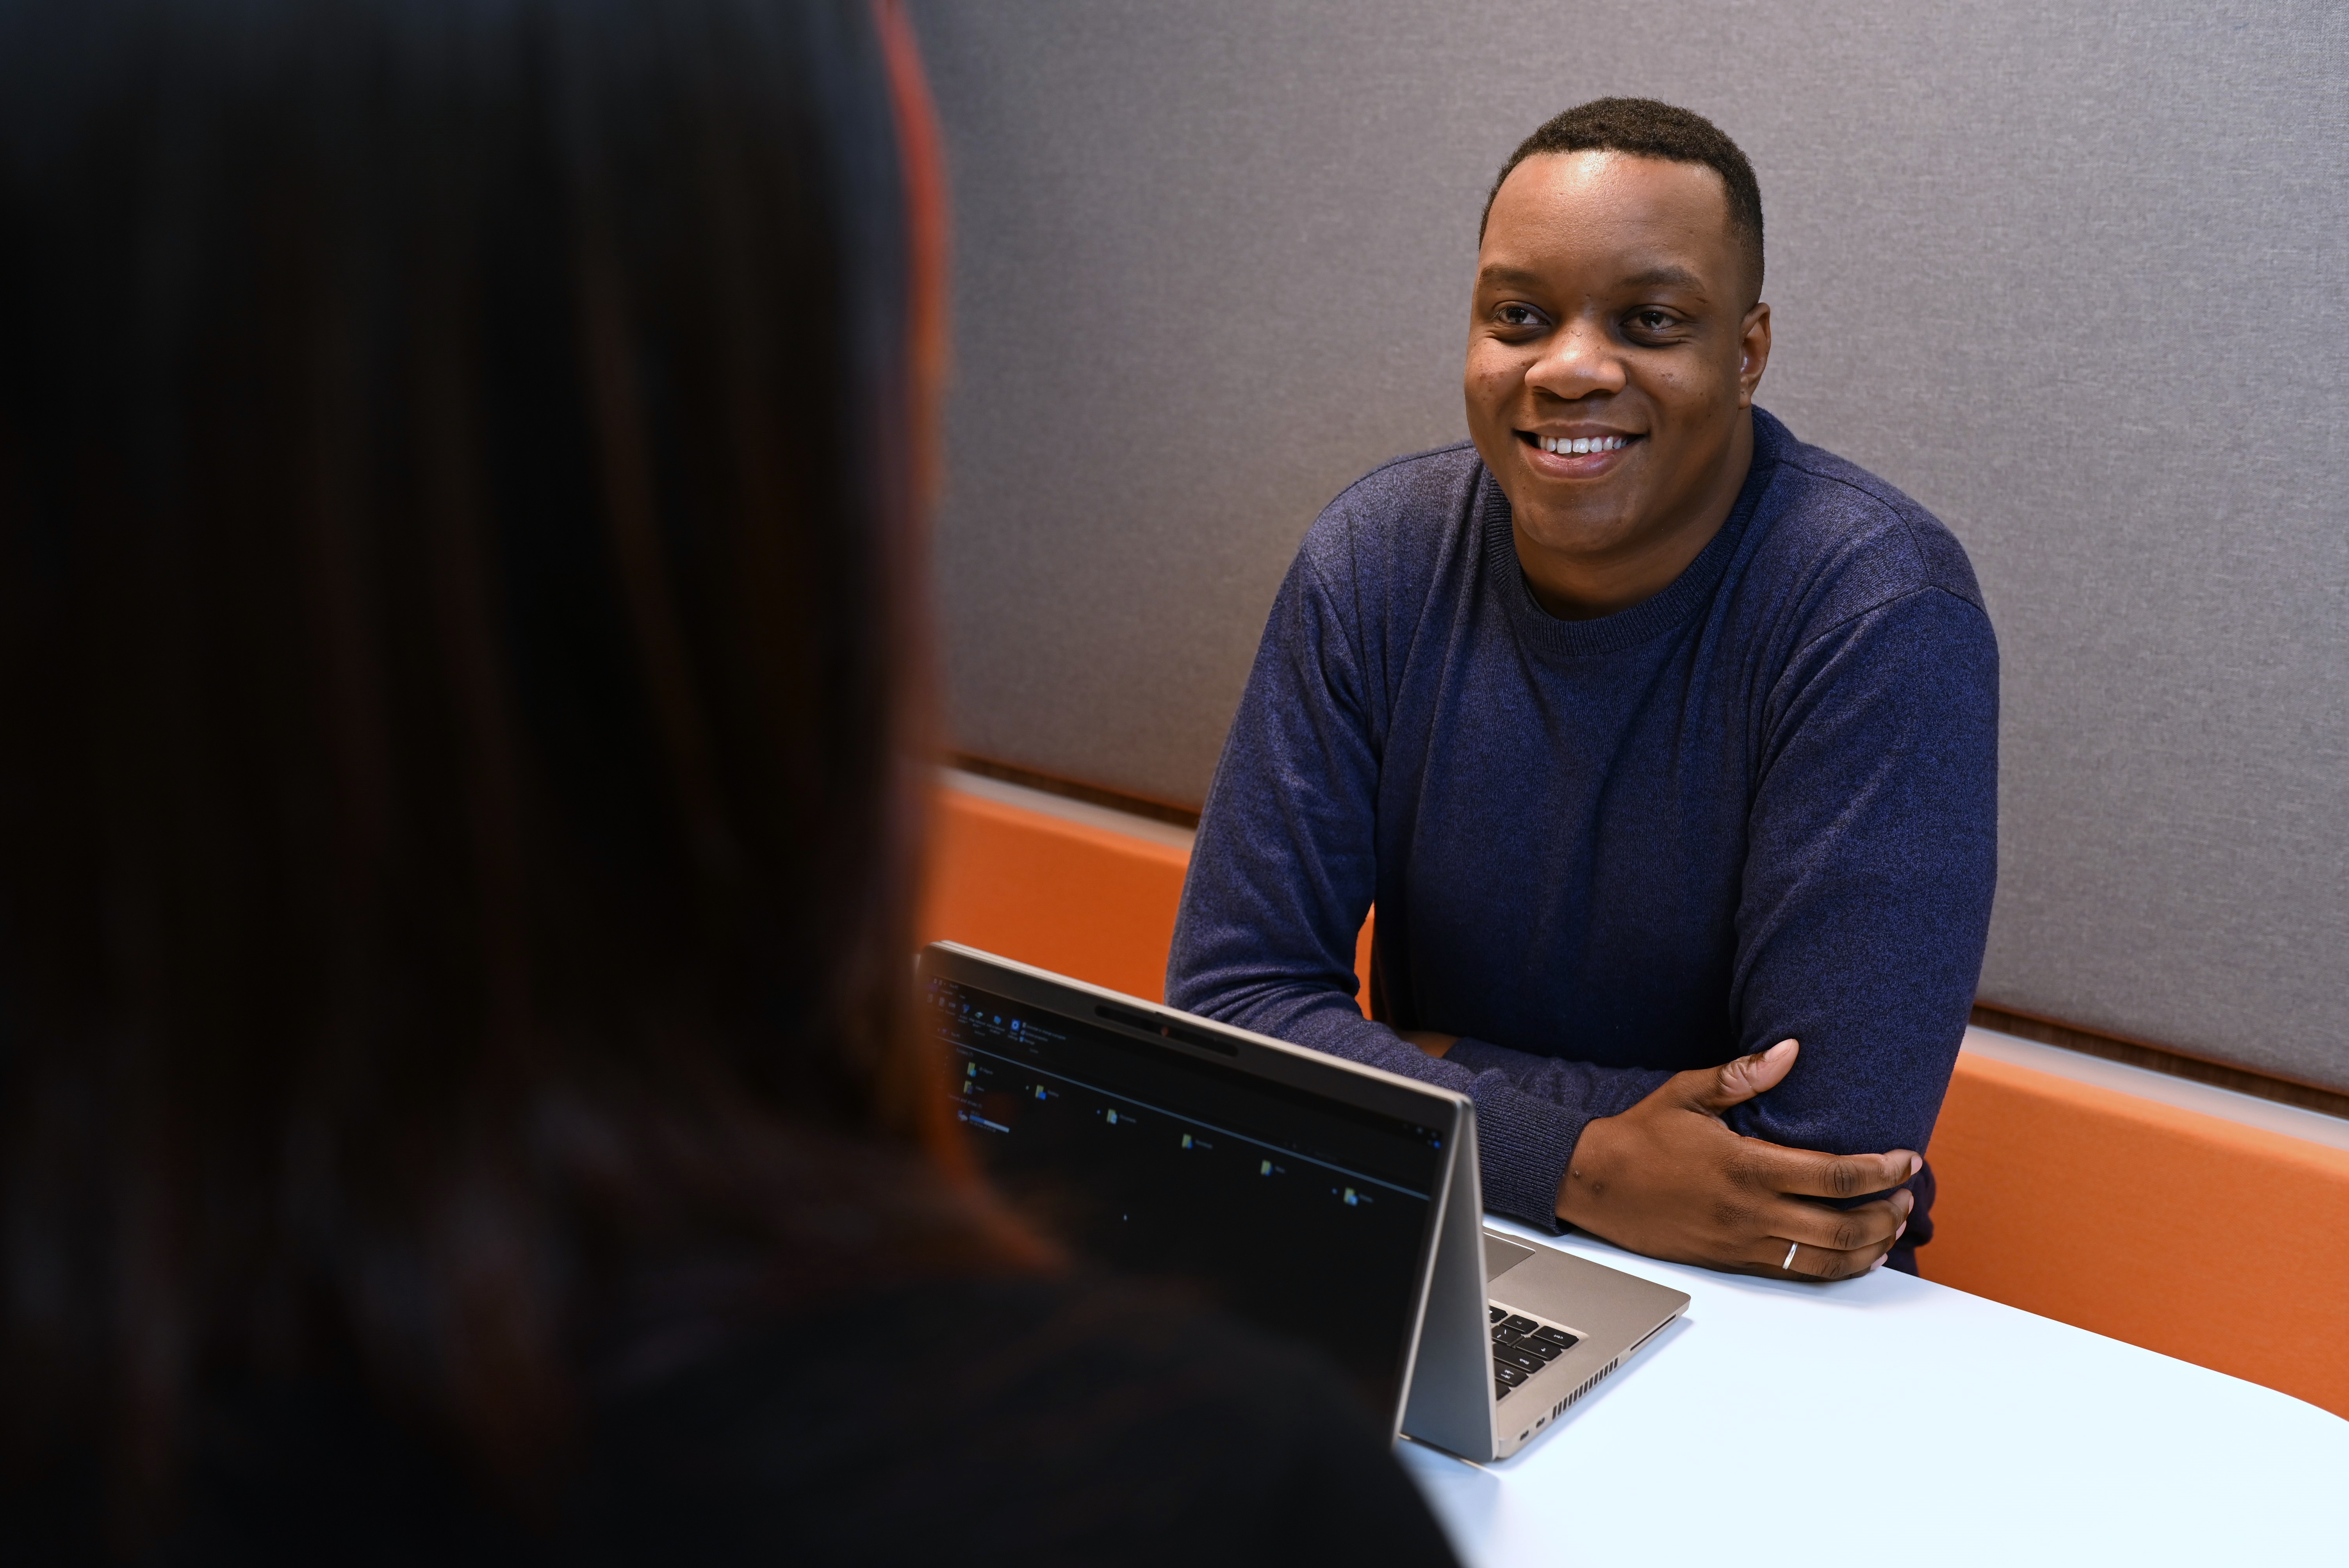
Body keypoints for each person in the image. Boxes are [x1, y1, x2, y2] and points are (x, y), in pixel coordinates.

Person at [0, 2, 1460, 1562]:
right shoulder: (1196, 1502)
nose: (1568, 372)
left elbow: (1775, 1110)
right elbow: (1241, 988)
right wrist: (1575, 1138)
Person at [1168, 99, 1997, 1283]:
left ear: (1748, 350)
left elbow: (1824, 1154)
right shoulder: (1374, 560)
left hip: (1763, 1288)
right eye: (1520, 316)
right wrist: (1581, 1162)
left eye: (1650, 319)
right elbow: (1231, 1007)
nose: (1569, 368)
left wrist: (1402, 1057)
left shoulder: (1878, 609)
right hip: (1435, 1231)